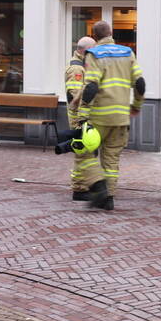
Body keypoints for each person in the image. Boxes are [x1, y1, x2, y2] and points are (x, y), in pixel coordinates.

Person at [77, 20, 145, 210]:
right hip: (121, 117)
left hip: (99, 116)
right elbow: (140, 83)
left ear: (94, 36)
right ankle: (109, 198)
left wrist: (82, 114)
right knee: (112, 159)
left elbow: (91, 86)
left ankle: (98, 186)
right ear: (111, 33)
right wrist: (136, 105)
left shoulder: (94, 54)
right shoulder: (128, 52)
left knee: (83, 152)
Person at [65, 35, 96, 201]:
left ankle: (84, 185)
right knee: (81, 152)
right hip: (78, 118)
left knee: (85, 153)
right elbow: (75, 94)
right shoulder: (76, 69)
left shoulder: (83, 65)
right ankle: (79, 189)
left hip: (82, 118)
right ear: (84, 51)